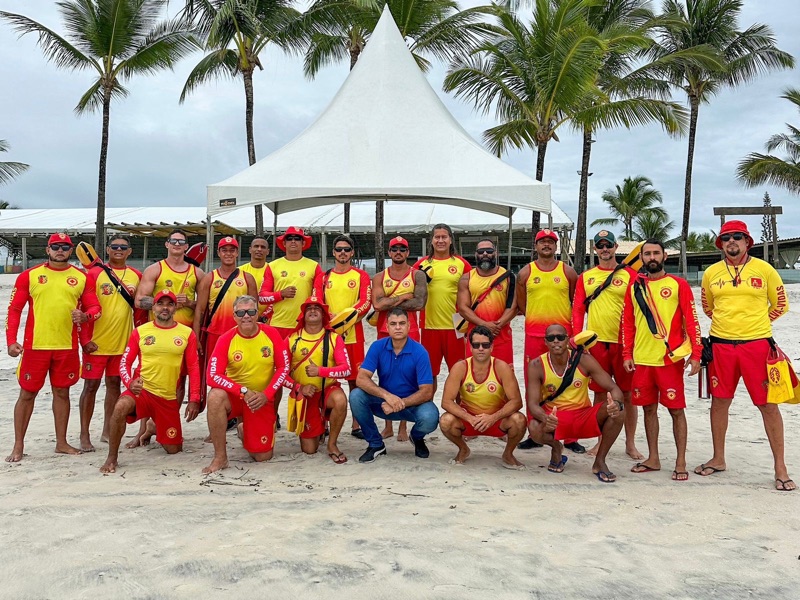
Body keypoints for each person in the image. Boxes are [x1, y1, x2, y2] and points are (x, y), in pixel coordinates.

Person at [696, 220, 794, 491]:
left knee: (767, 405)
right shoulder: (711, 273)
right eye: (726, 237)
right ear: (721, 244)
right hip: (721, 346)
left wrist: (756, 324)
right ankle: (718, 458)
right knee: (719, 402)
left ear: (747, 242)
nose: (732, 241)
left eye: (737, 237)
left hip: (757, 346)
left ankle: (780, 467)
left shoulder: (764, 269)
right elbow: (708, 307)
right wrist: (729, 326)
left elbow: (780, 304)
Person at [5, 233, 101, 462]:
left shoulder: (81, 277)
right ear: (48, 250)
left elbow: (95, 308)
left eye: (65, 247)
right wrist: (11, 341)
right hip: (35, 347)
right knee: (27, 394)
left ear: (71, 251)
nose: (60, 250)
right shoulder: (30, 275)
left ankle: (61, 443)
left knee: (62, 393)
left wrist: (85, 316)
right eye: (55, 246)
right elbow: (14, 309)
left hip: (66, 347)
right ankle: (18, 445)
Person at [621, 239, 702, 482]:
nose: (652, 257)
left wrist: (696, 355)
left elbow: (692, 321)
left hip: (670, 359)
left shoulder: (678, 285)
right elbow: (627, 323)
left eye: (656, 253)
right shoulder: (634, 287)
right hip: (642, 360)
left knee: (676, 410)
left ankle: (680, 461)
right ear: (641, 258)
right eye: (647, 254)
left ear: (665, 256)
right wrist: (627, 354)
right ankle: (653, 458)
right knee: (648, 409)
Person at [100, 290, 202, 473]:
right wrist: (130, 383)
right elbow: (125, 362)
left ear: (175, 308)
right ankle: (112, 457)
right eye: (160, 304)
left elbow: (194, 367)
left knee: (174, 450)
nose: (165, 308)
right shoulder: (141, 331)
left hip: (167, 398)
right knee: (120, 407)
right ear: (153, 308)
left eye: (169, 304)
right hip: (142, 391)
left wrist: (194, 398)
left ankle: (152, 427)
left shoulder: (187, 333)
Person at [572, 230, 642, 460]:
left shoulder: (630, 275)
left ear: (615, 248)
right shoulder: (586, 277)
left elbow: (639, 308)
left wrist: (635, 343)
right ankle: (600, 441)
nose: (604, 249)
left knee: (628, 395)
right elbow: (578, 310)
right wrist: (577, 339)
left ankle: (630, 443)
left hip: (624, 343)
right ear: (595, 249)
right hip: (596, 344)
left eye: (608, 245)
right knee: (601, 394)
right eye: (600, 246)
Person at [526, 324, 625, 482]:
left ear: (568, 340)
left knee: (619, 412)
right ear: (545, 342)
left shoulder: (583, 360)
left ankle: (600, 461)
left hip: (583, 415)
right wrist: (546, 418)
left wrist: (617, 404)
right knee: (533, 427)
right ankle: (556, 448)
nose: (556, 341)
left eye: (560, 337)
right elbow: (532, 404)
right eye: (551, 338)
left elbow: (613, 387)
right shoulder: (536, 365)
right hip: (556, 417)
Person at [203, 295, 290, 473]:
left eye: (251, 311)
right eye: (241, 313)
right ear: (234, 316)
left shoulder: (271, 333)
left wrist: (266, 394)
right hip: (237, 396)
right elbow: (212, 376)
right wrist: (242, 391)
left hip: (261, 398)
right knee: (215, 396)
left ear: (257, 313)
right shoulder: (226, 339)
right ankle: (220, 457)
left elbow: (283, 368)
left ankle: (244, 429)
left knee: (263, 456)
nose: (246, 316)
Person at [133, 228, 203, 446]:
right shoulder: (155, 269)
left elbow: (203, 306)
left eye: (181, 242)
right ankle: (143, 429)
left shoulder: (197, 273)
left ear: (186, 246)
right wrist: (165, 302)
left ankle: (167, 424)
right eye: (173, 241)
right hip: (156, 335)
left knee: (179, 382)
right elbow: (139, 300)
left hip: (183, 335)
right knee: (149, 380)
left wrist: (188, 302)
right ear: (167, 244)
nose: (177, 245)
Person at [79, 235, 147, 452]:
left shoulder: (136, 275)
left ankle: (108, 430)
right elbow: (83, 307)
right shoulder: (94, 273)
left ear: (130, 251)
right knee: (90, 387)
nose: (119, 249)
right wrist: (84, 340)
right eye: (114, 246)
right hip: (96, 343)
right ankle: (84, 434)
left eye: (123, 247)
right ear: (107, 249)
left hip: (122, 343)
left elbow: (139, 310)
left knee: (114, 385)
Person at [516, 229, 579, 452]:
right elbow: (522, 304)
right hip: (535, 336)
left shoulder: (568, 272)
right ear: (535, 246)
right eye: (542, 241)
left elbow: (574, 302)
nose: (546, 245)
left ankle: (570, 437)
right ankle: (535, 433)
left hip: (562, 337)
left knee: (568, 383)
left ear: (556, 246)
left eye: (550, 242)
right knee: (533, 384)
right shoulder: (525, 272)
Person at [350, 308, 437, 463]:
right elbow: (361, 379)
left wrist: (400, 403)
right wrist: (387, 396)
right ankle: (376, 444)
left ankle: (417, 437)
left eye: (402, 323)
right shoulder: (377, 346)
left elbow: (427, 392)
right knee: (356, 396)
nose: (398, 327)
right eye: (393, 324)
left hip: (411, 406)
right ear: (387, 327)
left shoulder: (420, 351)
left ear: (409, 326)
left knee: (431, 416)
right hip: (384, 404)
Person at [439, 326, 526, 468]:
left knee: (519, 420)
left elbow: (517, 401)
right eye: (476, 345)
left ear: (491, 347)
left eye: (485, 345)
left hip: (496, 421)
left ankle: (508, 453)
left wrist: (493, 418)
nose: (480, 349)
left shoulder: (501, 367)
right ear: (470, 347)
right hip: (469, 420)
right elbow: (446, 402)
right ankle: (463, 449)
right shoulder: (460, 367)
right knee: (445, 421)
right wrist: (470, 418)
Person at [370, 235, 428, 440]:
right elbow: (377, 305)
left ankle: (403, 424)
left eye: (402, 249)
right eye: (394, 249)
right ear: (389, 252)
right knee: (385, 374)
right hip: (384, 329)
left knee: (408, 375)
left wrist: (389, 301)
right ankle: (388, 425)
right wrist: (403, 297)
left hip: (409, 328)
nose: (398, 252)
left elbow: (419, 303)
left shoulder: (417, 275)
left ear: (408, 252)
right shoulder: (380, 276)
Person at [283, 296, 351, 463]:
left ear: (324, 314)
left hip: (328, 391)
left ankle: (332, 444)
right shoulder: (292, 339)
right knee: (309, 450)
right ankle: (319, 427)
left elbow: (346, 369)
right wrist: (299, 387)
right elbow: (280, 374)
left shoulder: (334, 338)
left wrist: (320, 371)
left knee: (340, 400)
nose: (312, 311)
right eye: (309, 308)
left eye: (317, 308)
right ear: (303, 314)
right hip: (305, 396)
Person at [321, 234, 372, 439]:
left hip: (353, 336)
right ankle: (323, 423)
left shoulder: (361, 275)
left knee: (355, 381)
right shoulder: (324, 277)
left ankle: (356, 424)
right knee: (326, 379)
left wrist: (345, 318)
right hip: (328, 336)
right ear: (333, 252)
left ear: (352, 253)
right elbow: (317, 301)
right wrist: (330, 317)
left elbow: (365, 302)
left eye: (347, 249)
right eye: (339, 249)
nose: (343, 253)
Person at [413, 223, 471, 389]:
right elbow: (410, 290)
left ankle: (460, 404)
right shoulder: (421, 265)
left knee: (459, 371)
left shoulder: (461, 264)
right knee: (429, 374)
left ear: (450, 240)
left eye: (444, 237)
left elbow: (471, 292)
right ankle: (428, 405)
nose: (440, 240)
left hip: (456, 326)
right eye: (437, 237)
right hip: (429, 326)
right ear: (431, 241)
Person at [193, 236, 257, 359]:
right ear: (218, 253)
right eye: (224, 250)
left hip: (241, 333)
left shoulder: (247, 278)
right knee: (214, 368)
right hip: (215, 333)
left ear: (237, 253)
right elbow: (200, 310)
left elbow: (255, 311)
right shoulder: (209, 278)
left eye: (232, 250)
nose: (228, 254)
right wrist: (196, 338)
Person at [456, 239, 517, 364]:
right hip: (475, 335)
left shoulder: (509, 277)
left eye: (489, 251)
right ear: (475, 254)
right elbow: (463, 308)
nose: (485, 254)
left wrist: (497, 325)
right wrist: (484, 324)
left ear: (496, 253)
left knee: (504, 371)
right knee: (475, 372)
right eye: (481, 251)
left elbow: (514, 306)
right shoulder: (466, 278)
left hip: (500, 333)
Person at [258, 226, 323, 338]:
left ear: (303, 243)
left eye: (297, 238)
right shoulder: (272, 266)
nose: (293, 241)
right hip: (278, 324)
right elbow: (262, 297)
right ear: (284, 243)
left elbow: (319, 297)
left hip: (304, 324)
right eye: (289, 238)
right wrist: (281, 294)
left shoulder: (314, 266)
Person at [239, 237, 270, 318]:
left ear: (268, 251)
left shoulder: (273, 270)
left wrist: (265, 315)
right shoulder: (239, 271)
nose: (259, 249)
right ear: (250, 250)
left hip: (269, 318)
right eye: (256, 246)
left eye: (263, 247)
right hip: (245, 318)